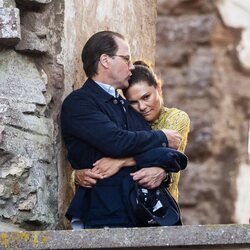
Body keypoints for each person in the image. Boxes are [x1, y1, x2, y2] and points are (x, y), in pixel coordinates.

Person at [61, 31, 186, 229]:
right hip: (105, 216)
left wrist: (129, 160)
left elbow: (170, 157)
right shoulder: (79, 102)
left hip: (146, 215)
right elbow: (117, 142)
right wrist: (162, 137)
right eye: (126, 59)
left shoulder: (127, 106)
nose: (132, 66)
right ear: (105, 60)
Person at [75, 61, 190, 202]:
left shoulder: (176, 117)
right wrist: (76, 175)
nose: (142, 107)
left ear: (158, 88)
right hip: (125, 205)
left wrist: (119, 162)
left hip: (162, 207)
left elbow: (166, 155)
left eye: (146, 97)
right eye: (133, 102)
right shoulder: (124, 119)